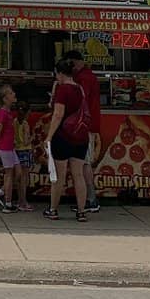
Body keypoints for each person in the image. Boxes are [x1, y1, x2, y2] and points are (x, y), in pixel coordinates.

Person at [43, 59, 90, 223]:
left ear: (60, 73)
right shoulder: (80, 89)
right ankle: (82, 211)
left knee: (59, 176)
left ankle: (53, 209)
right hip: (81, 137)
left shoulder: (63, 90)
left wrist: (49, 136)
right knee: (78, 174)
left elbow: (58, 115)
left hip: (63, 136)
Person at [63, 49, 101, 213]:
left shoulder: (84, 78)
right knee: (83, 163)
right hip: (86, 125)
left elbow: (79, 99)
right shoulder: (88, 75)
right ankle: (87, 198)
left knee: (84, 163)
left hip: (83, 126)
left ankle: (91, 199)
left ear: (75, 62)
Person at [0, 83, 18, 212]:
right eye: (11, 93)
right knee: (9, 173)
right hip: (5, 147)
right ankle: (8, 203)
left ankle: (1, 191)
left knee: (17, 172)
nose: (14, 94)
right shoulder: (2, 112)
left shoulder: (9, 112)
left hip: (10, 146)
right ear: (5, 98)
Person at [13, 99, 34, 211]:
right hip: (25, 151)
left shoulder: (14, 121)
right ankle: (23, 202)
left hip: (16, 151)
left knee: (18, 178)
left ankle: (19, 200)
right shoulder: (25, 124)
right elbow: (26, 141)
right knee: (24, 178)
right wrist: (32, 137)